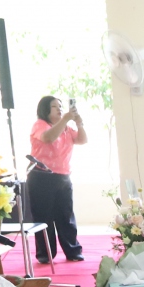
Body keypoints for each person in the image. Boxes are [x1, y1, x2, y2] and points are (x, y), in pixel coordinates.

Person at [27, 95, 87, 264]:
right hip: (41, 176)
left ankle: (73, 251)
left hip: (63, 176)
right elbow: (48, 138)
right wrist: (66, 119)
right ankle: (45, 254)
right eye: (55, 106)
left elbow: (82, 140)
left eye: (61, 106)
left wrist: (79, 124)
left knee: (66, 215)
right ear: (45, 109)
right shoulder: (40, 125)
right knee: (43, 216)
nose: (59, 109)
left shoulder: (66, 127)